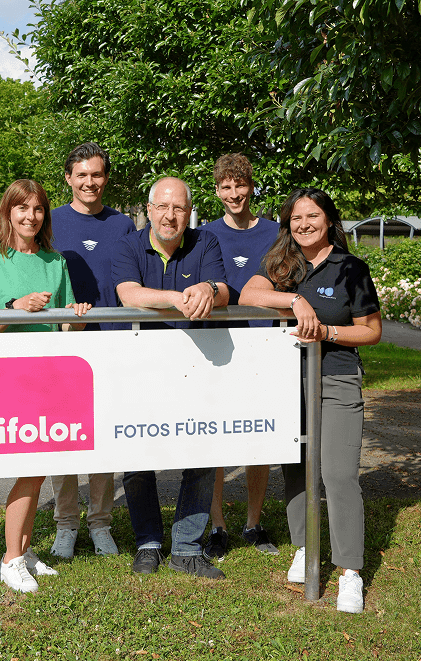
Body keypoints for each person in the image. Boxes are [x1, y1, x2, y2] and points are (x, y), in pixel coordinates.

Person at [239, 187, 382, 614]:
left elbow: (371, 331)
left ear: (329, 219)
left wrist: (327, 333)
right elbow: (248, 294)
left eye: (313, 216)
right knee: (299, 471)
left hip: (336, 380)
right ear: (288, 224)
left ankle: (350, 572)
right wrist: (296, 299)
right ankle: (305, 547)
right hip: (287, 383)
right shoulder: (283, 265)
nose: (304, 224)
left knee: (338, 475)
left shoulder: (350, 268)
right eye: (296, 218)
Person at [0, 179, 92, 592]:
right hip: (10, 375)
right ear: (8, 212)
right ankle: (11, 558)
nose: (30, 216)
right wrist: (15, 307)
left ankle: (23, 548)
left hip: (50, 374)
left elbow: (66, 323)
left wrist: (77, 313)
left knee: (38, 468)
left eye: (37, 209)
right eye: (22, 209)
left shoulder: (55, 262)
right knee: (29, 468)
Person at [112, 176, 229, 579]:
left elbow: (225, 290)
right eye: (162, 207)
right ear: (148, 210)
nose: (170, 215)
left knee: (200, 453)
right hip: (140, 366)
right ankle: (148, 542)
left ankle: (186, 547)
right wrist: (180, 298)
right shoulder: (129, 244)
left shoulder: (206, 242)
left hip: (197, 366)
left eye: (178, 207)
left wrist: (208, 288)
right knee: (137, 454)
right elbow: (128, 293)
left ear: (189, 211)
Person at [47, 143, 136, 560]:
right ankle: (66, 523)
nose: (89, 182)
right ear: (68, 178)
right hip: (63, 343)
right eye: (81, 175)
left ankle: (100, 522)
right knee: (61, 437)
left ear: (106, 178)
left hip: (111, 341)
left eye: (96, 175)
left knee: (103, 437)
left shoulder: (122, 225)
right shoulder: (50, 222)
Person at [199, 153, 281, 560]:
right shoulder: (203, 234)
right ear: (217, 191)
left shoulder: (275, 233)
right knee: (215, 436)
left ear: (251, 186)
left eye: (240, 185)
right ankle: (217, 527)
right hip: (217, 346)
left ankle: (254, 522)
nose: (234, 193)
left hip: (264, 347)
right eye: (226, 186)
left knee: (258, 437)